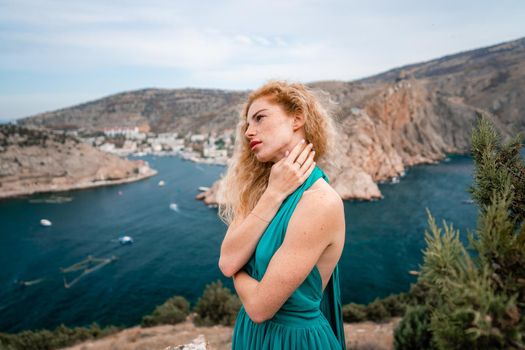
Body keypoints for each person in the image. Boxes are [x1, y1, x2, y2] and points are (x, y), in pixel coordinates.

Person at [218, 80, 346, 349]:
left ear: (297, 118)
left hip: (293, 341)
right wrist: (273, 194)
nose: (249, 132)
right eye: (246, 125)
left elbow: (259, 307)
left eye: (259, 118)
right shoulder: (258, 189)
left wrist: (238, 273)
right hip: (251, 335)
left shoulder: (320, 202)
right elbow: (228, 261)